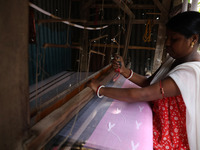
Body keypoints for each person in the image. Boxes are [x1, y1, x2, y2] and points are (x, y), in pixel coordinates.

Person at [88, 11, 200, 150]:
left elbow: (144, 94)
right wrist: (124, 71)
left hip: (170, 140)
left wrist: (100, 89)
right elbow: (150, 83)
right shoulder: (173, 60)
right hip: (159, 123)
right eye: (167, 37)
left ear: (193, 39)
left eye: (174, 39)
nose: (167, 43)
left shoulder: (190, 73)